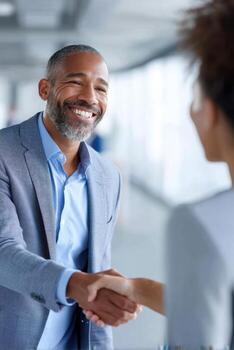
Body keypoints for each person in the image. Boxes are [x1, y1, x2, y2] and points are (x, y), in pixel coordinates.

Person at [84, 0, 234, 348]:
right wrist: (137, 289)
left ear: (210, 112)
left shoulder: (204, 223)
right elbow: (215, 303)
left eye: (195, 97)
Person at [0, 45, 140, 350]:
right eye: (76, 81)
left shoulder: (107, 177)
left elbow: (97, 270)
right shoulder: (3, 154)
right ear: (44, 88)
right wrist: (76, 285)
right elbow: (3, 251)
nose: (90, 97)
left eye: (101, 88)